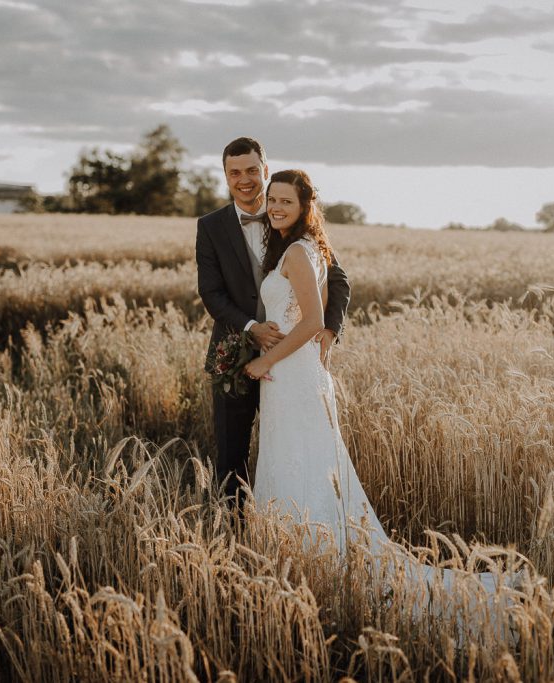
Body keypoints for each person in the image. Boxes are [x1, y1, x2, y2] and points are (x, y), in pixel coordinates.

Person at [244, 169, 521, 644]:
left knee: (304, 463)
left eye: (285, 200)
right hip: (294, 374)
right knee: (302, 462)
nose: (276, 207)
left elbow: (311, 320)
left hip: (289, 372)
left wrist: (264, 360)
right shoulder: (307, 248)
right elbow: (313, 318)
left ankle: (313, 560)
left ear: (305, 204)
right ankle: (304, 559)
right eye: (272, 200)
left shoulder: (295, 250)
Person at [195, 138, 350, 510]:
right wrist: (251, 326)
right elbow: (212, 294)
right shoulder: (210, 226)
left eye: (251, 170)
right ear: (226, 176)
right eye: (235, 173)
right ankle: (236, 533)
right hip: (234, 354)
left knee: (294, 446)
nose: (244, 180)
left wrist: (329, 330)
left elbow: (336, 278)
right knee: (231, 454)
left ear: (264, 170)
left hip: (291, 360)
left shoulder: (287, 214)